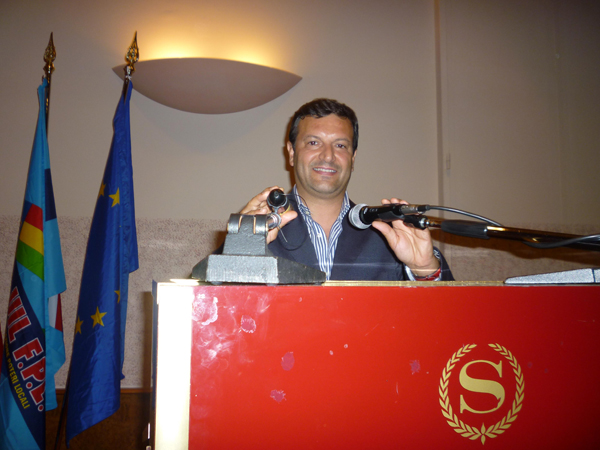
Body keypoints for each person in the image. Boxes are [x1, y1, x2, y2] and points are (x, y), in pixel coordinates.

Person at [239, 98, 453, 281]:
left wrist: (425, 270)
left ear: (353, 158)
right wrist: (238, 247)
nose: (328, 156)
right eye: (313, 143)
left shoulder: (390, 235)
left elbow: (451, 314)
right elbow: (219, 308)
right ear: (292, 152)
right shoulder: (257, 228)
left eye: (340, 145)